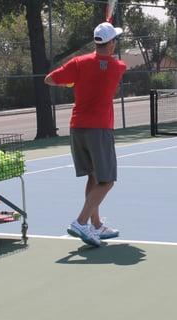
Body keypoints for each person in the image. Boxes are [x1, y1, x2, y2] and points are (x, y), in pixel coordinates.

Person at [44, 22, 127, 246]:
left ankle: (97, 225)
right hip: (99, 129)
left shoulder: (78, 63)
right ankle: (81, 222)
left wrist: (71, 81)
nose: (116, 43)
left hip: (77, 128)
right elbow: (102, 66)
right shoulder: (118, 67)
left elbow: (49, 79)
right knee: (107, 181)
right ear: (110, 44)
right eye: (115, 40)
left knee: (93, 176)